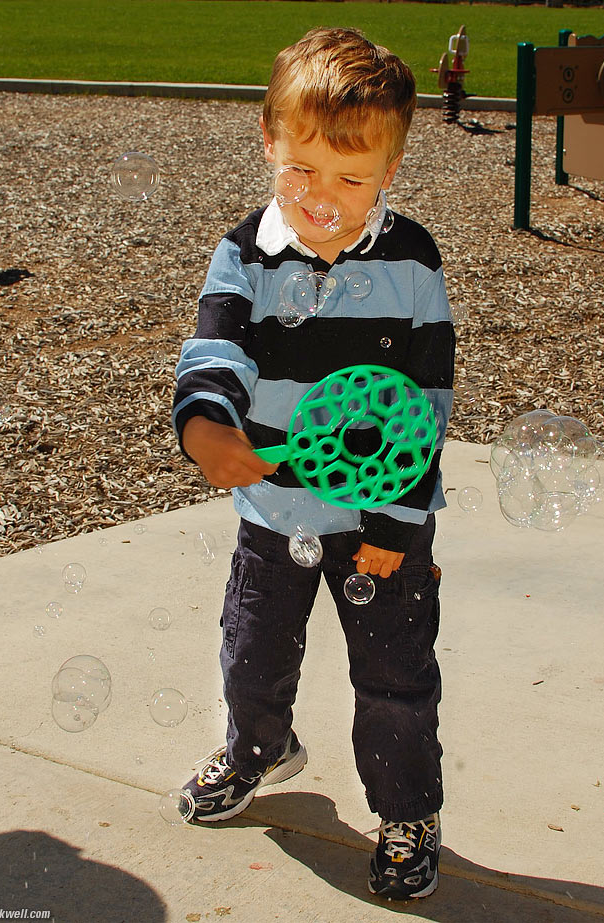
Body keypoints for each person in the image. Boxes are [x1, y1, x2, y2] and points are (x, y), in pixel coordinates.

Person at [172, 26, 455, 901]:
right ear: (268, 141)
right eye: (300, 170)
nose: (322, 199)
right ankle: (258, 748)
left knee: (394, 680)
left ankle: (407, 811)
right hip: (273, 513)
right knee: (250, 654)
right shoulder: (245, 253)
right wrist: (208, 424)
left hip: (376, 525)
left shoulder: (412, 262)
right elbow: (215, 348)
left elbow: (423, 404)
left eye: (352, 178)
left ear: (391, 171)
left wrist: (397, 524)